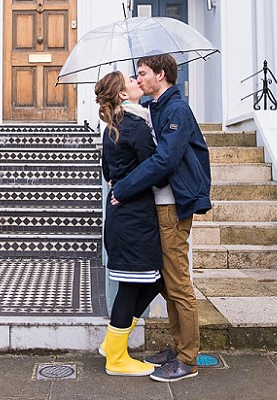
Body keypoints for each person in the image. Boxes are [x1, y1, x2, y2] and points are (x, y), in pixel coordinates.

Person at [110, 53, 212, 382]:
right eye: (136, 76)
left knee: (178, 283)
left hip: (171, 204)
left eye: (142, 74)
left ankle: (187, 359)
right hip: (157, 205)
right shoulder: (157, 107)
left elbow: (164, 160)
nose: (138, 79)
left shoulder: (176, 109)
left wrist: (123, 187)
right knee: (166, 280)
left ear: (161, 74)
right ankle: (179, 346)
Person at [94, 71, 165, 377]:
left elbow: (108, 170)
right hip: (133, 218)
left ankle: (113, 344)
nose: (138, 82)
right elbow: (155, 170)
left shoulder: (114, 126)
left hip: (124, 216)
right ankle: (117, 358)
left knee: (151, 280)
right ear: (123, 95)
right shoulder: (134, 126)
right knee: (134, 285)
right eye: (132, 82)